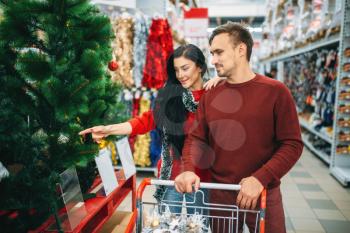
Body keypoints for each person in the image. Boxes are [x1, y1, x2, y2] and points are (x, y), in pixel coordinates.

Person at [174, 22, 303, 233]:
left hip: (263, 192)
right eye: (212, 53)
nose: (213, 60)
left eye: (219, 52)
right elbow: (196, 139)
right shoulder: (211, 95)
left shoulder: (276, 92)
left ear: (241, 50)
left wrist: (259, 178)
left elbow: (292, 145)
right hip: (222, 193)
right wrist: (188, 170)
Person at [79, 44, 224, 214]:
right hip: (171, 178)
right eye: (176, 70)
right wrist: (108, 129)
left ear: (200, 66)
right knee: (168, 225)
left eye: (185, 68)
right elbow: (143, 121)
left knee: (199, 226)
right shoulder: (171, 97)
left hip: (201, 179)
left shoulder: (214, 95)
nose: (180, 76)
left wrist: (226, 81)